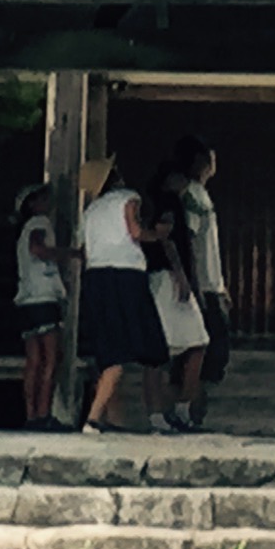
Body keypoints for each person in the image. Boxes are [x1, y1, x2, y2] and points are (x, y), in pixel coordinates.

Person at [75, 157, 170, 433]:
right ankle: (156, 416)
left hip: (96, 277)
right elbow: (135, 231)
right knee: (153, 348)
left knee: (111, 353)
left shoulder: (91, 211)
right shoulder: (128, 197)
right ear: (114, 177)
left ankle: (96, 418)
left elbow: (84, 251)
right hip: (127, 274)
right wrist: (159, 234)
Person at [146, 156, 210, 433]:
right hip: (168, 278)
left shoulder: (162, 204)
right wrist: (181, 275)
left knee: (193, 343)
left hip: (165, 277)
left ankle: (175, 409)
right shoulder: (168, 204)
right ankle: (163, 413)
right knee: (168, 349)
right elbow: (166, 240)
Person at [172, 137, 231, 427]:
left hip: (210, 283)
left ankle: (191, 405)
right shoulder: (193, 196)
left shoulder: (198, 195)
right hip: (203, 285)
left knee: (207, 348)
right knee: (204, 347)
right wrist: (195, 282)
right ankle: (188, 405)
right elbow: (191, 241)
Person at [9, 183, 68, 430]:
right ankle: (44, 413)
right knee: (51, 359)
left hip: (26, 300)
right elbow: (38, 249)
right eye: (43, 199)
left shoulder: (23, 231)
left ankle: (31, 414)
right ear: (32, 205)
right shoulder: (39, 223)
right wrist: (72, 253)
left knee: (33, 361)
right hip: (44, 298)